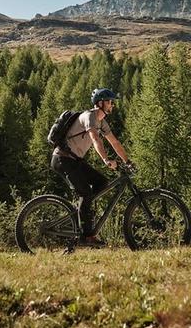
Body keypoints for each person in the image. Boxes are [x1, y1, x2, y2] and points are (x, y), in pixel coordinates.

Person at [51, 87, 131, 247]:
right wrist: (106, 160)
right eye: (110, 102)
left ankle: (83, 211)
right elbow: (96, 140)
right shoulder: (88, 117)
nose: (112, 105)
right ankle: (86, 236)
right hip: (62, 159)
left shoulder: (102, 122)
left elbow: (114, 142)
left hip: (75, 161)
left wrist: (127, 161)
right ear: (100, 103)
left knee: (102, 182)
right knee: (86, 193)